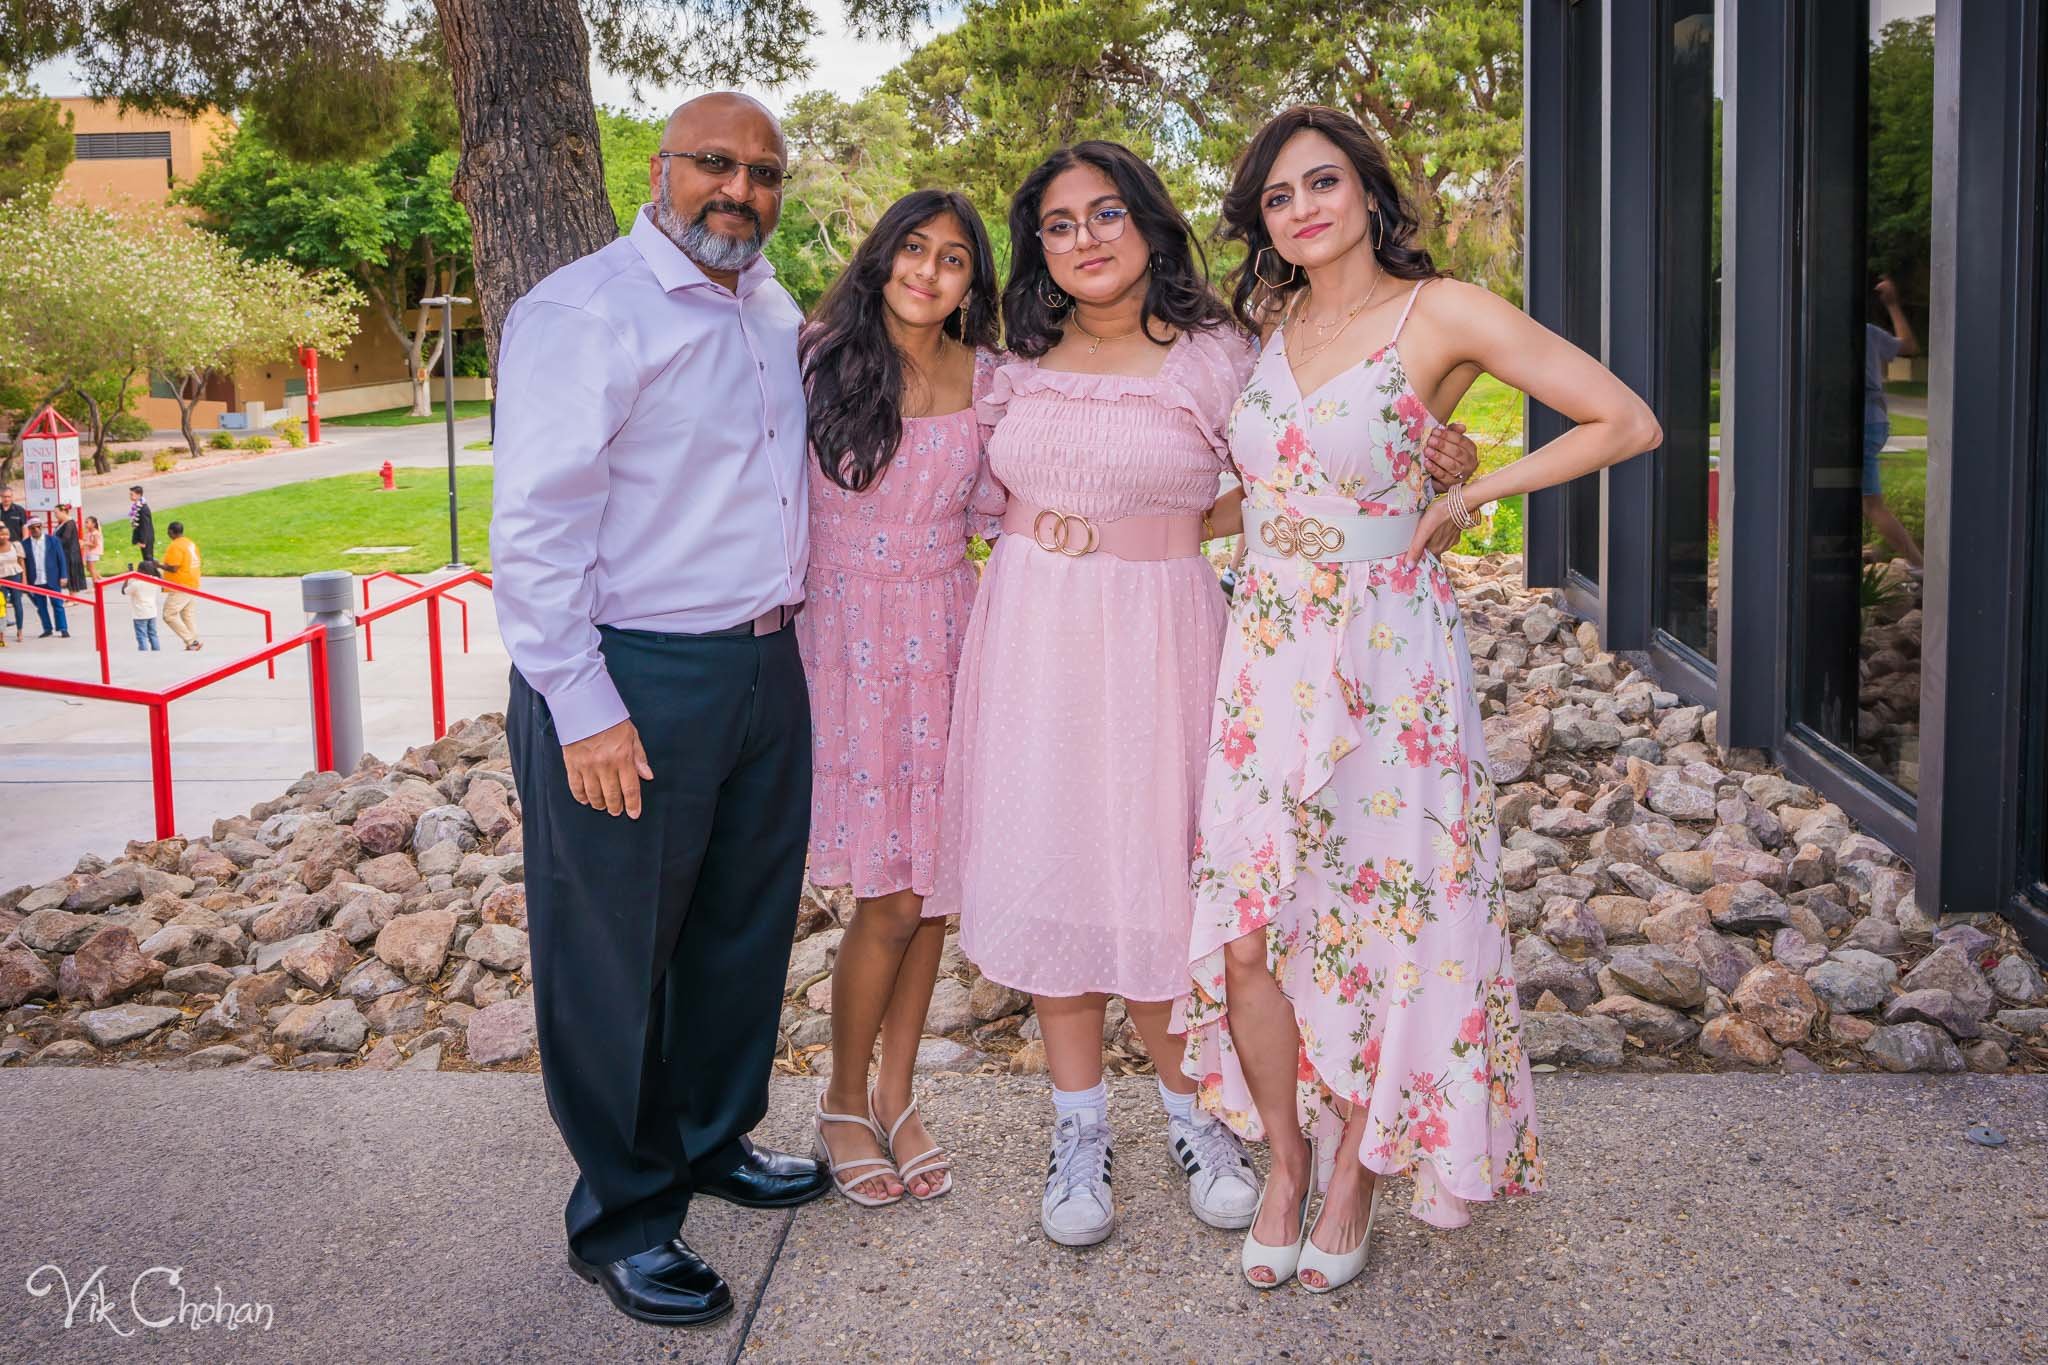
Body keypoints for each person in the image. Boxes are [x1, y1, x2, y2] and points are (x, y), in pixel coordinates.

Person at [928, 139, 1482, 1250]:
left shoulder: (1218, 353)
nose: (1084, 239)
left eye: (1105, 215)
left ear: (1145, 224)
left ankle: (1198, 1117)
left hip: (1163, 633)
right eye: (1057, 223)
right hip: (1032, 632)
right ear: (1036, 248)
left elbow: (1302, 463)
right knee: (1052, 864)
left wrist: (1435, 464)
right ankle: (1077, 1132)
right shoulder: (1009, 362)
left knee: (1164, 872)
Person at [1184, 105, 1661, 1295]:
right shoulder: (1267, 321)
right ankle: (1285, 1159)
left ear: (1364, 190)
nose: (1301, 210)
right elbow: (1259, 486)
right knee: (1254, 928)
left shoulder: (1437, 309)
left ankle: (1353, 1168)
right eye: (1278, 196)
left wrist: (1474, 485)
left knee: (1383, 921)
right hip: (1265, 660)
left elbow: (1626, 419)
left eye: (1321, 183)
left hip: (1389, 660)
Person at [491, 91, 825, 1330]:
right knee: (611, 958)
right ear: (660, 167)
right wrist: (582, 706)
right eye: (715, 165)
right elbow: (532, 529)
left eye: (763, 173)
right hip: (630, 673)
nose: (738, 191)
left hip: (759, 667)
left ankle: (709, 1138)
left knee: (737, 933)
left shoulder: (769, 304)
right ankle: (624, 1218)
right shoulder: (585, 311)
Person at [797, 189, 1004, 1207]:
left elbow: (1021, 505)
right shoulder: (814, 361)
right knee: (886, 897)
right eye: (913, 249)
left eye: (953, 258)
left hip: (948, 641)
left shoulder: (994, 381)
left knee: (929, 896)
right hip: (839, 645)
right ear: (882, 259)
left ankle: (895, 1088)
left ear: (974, 282)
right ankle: (840, 1098)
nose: (928, 270)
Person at [1863, 276, 1922, 571]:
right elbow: (1909, 346)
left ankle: (1919, 565)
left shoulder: (1829, 335)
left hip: (1857, 427)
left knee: (1872, 505)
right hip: (1875, 422)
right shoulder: (1869, 333)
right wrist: (1893, 304)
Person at [21, 520, 70, 638]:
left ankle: (63, 628)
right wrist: (26, 581)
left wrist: (63, 575)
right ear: (29, 529)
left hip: (52, 578)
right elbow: (24, 563)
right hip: (35, 580)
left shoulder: (53, 540)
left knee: (57, 604)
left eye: (38, 527)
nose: (35, 529)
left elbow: (61, 559)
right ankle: (47, 628)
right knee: (41, 607)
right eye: (32, 528)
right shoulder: (25, 544)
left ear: (41, 527)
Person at [158, 521, 203, 651]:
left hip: (181, 585)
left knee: (169, 614)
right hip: (193, 582)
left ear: (171, 532)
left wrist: (158, 565)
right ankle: (193, 642)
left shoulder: (176, 546)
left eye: (168, 532)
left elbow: (173, 568)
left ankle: (191, 641)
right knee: (187, 614)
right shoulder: (190, 543)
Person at [127, 558, 164, 650]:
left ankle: (143, 654)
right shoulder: (155, 580)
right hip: (152, 612)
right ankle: (157, 651)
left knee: (142, 636)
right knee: (153, 635)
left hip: (140, 614)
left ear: (141, 571)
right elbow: (158, 576)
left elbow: (124, 591)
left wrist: (128, 578)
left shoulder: (136, 584)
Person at [53, 504, 83, 592]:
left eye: (56, 513)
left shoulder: (69, 523)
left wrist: (54, 543)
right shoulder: (62, 523)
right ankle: (71, 596)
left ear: (63, 512)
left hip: (70, 554)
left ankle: (73, 596)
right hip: (65, 552)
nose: (55, 515)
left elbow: (66, 538)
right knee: (67, 573)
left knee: (71, 574)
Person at [0, 527, 21, 645]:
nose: (4, 536)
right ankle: (1, 635)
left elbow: (21, 562)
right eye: (1, 534)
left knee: (17, 603)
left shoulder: (15, 545)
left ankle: (20, 630)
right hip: (1, 579)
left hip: (14, 576)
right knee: (1, 607)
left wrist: (24, 581)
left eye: (6, 534)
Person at [129, 486, 155, 561]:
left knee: (148, 559)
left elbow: (145, 526)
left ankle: (152, 572)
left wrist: (143, 541)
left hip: (146, 538)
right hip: (143, 537)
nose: (130, 496)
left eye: (132, 494)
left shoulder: (143, 509)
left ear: (139, 495)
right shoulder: (137, 506)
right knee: (146, 558)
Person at [82, 514, 104, 581]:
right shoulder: (88, 532)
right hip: (89, 552)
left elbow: (95, 544)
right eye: (85, 522)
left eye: (87, 522)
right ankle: (101, 580)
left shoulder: (95, 533)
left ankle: (95, 585)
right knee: (89, 568)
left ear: (93, 524)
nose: (85, 524)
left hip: (93, 552)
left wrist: (85, 543)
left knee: (92, 569)